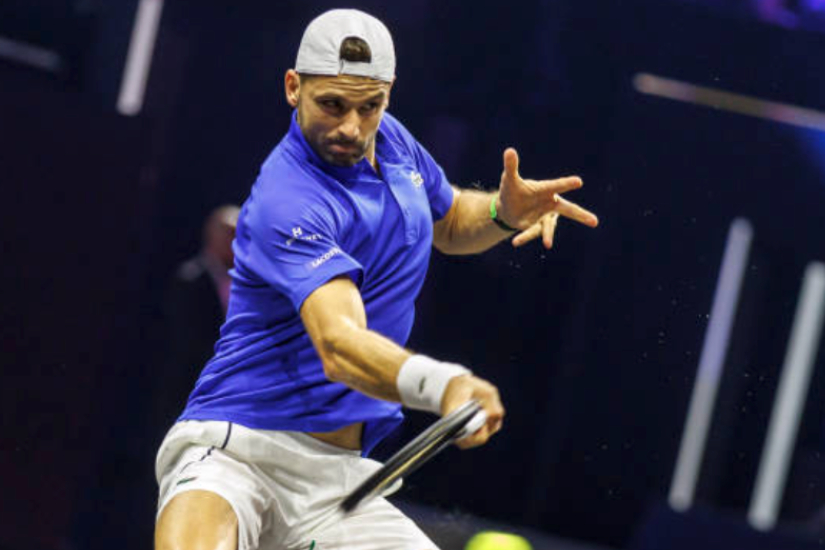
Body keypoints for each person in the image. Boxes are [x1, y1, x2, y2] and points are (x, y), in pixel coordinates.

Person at [154, 9, 598, 550]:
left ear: (388, 92)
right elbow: (339, 345)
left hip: (339, 479)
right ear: (294, 87)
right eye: (332, 105)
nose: (350, 127)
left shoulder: (391, 142)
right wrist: (445, 384)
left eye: (369, 107)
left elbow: (451, 219)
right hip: (235, 453)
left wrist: (502, 212)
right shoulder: (285, 199)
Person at [154, 205, 240, 437]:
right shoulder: (190, 278)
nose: (235, 240)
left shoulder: (243, 285)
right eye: (229, 232)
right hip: (186, 385)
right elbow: (185, 339)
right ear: (212, 234)